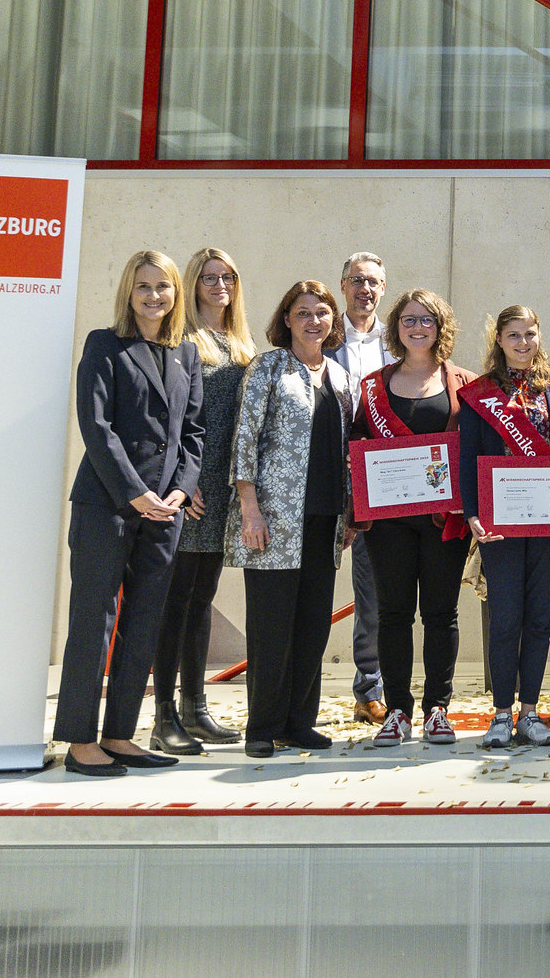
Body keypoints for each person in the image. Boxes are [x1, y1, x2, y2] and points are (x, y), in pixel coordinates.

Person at [57, 250, 205, 776]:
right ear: (129, 292)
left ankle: (119, 734)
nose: (153, 296)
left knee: (142, 623)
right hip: (108, 504)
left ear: (175, 294)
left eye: (163, 287)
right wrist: (135, 492)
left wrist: (182, 494)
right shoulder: (105, 344)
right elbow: (96, 428)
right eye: (143, 286)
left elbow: (193, 434)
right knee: (93, 621)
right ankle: (79, 740)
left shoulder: (186, 352)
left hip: (165, 513)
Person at [229, 280, 358, 758]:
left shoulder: (341, 380)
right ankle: (261, 728)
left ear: (332, 321)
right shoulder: (269, 368)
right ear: (287, 319)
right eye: (303, 313)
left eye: (322, 313)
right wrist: (249, 508)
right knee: (271, 627)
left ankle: (298, 724)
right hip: (274, 521)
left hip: (325, 524)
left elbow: (346, 453)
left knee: (311, 627)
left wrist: (349, 513)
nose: (313, 321)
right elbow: (246, 439)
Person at [351, 289, 480, 749]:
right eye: (408, 319)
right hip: (389, 523)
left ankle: (437, 709)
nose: (417, 327)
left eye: (426, 319)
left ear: (440, 326)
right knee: (392, 614)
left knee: (441, 615)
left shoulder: (465, 382)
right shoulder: (372, 385)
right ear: (396, 327)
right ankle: (399, 711)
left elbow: (480, 447)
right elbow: (357, 444)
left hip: (444, 520)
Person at [459, 305, 550, 750]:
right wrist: (473, 514)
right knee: (505, 619)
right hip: (499, 525)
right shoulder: (479, 393)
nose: (523, 343)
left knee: (540, 621)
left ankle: (530, 713)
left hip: (547, 522)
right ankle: (499, 714)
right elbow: (467, 460)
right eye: (514, 335)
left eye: (530, 334)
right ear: (499, 339)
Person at [151, 247, 253, 756]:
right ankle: (164, 717)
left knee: (201, 601)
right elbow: (171, 420)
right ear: (191, 285)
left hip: (224, 488)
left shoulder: (240, 342)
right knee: (176, 602)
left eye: (227, 276)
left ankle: (196, 709)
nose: (219, 285)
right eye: (209, 277)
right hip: (191, 489)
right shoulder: (181, 340)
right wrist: (182, 482)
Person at [332, 251, 390, 725]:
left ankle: (370, 688)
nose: (364, 289)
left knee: (374, 592)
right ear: (343, 284)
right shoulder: (319, 336)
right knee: (308, 589)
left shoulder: (404, 341)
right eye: (356, 280)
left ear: (383, 289)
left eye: (373, 282)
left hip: (384, 485)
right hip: (326, 482)